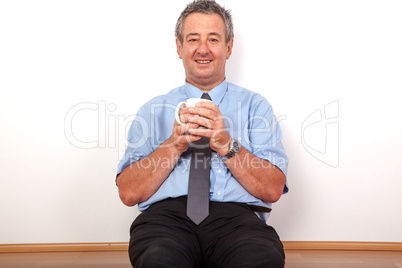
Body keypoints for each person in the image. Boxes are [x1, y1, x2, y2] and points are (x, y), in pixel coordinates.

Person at [116, 0, 289, 267]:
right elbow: (128, 193)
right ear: (179, 47)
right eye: (193, 39)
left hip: (237, 220)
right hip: (166, 220)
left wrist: (226, 144)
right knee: (158, 260)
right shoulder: (152, 110)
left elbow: (273, 189)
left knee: (260, 260)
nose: (203, 49)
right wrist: (172, 146)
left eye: (213, 39)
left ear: (229, 47)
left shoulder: (256, 107)